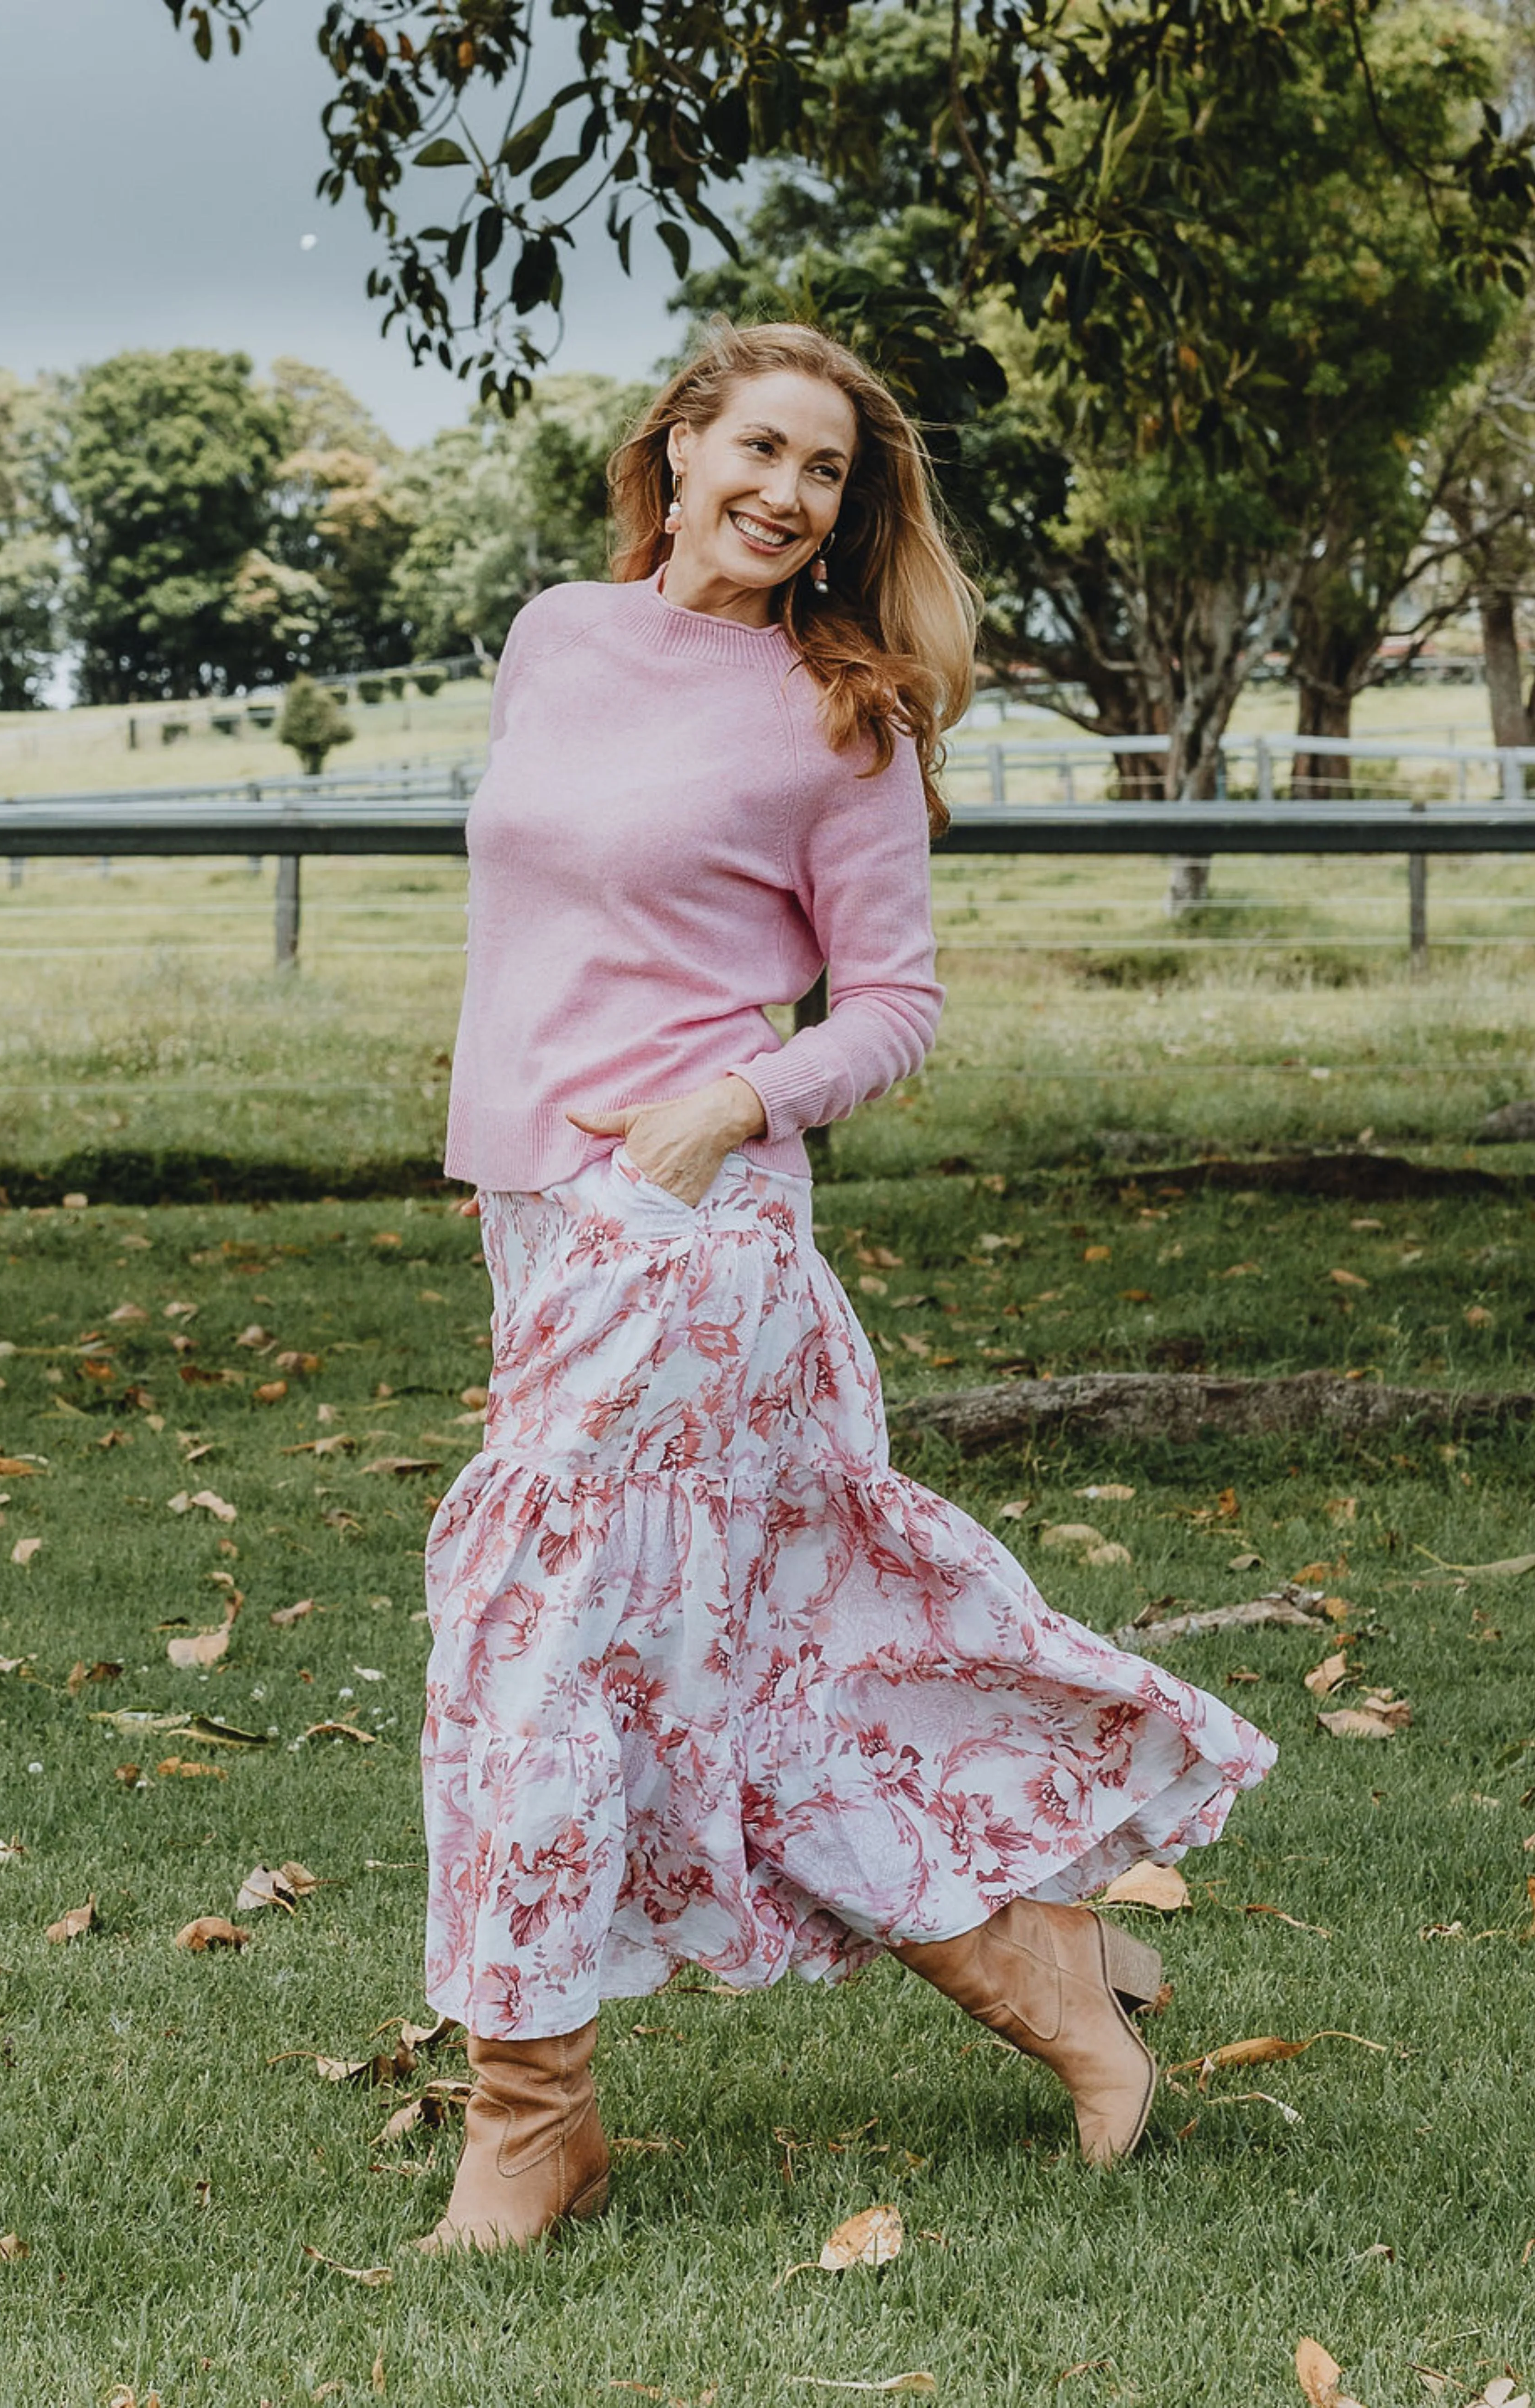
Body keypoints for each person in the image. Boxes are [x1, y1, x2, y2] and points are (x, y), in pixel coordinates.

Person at [416, 318, 1276, 2255]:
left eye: (829, 477)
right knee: (760, 1668)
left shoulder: (841, 715)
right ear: (680, 446)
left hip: (698, 1237)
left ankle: (528, 2119)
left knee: (530, 1641)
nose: (790, 495)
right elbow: (547, 925)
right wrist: (512, 1166)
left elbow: (896, 1006)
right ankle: (1066, 1999)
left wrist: (731, 1098)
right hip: (544, 1219)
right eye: (765, 449)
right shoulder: (559, 635)